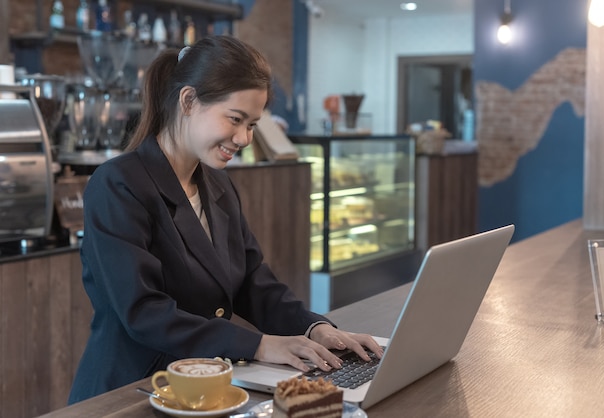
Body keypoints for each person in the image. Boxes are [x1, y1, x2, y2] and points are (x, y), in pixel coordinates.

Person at [68, 35, 383, 404]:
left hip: (203, 387)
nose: (245, 138)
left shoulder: (218, 184)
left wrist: (316, 329)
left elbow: (253, 282)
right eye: (235, 119)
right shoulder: (118, 184)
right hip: (132, 392)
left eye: (252, 124)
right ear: (188, 101)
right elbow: (143, 312)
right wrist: (261, 345)